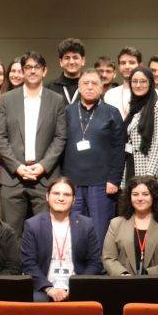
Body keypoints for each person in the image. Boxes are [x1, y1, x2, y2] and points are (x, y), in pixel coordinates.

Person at [0, 51, 68, 236]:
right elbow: (0, 137)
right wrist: (17, 167)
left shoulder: (56, 100)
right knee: (10, 234)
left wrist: (43, 166)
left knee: (45, 233)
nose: (32, 71)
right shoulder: (7, 99)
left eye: (37, 67)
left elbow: (60, 137)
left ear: (44, 71)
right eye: (28, 67)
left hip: (44, 177)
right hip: (12, 177)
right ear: (23, 71)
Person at [63, 69, 124, 236]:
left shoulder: (112, 112)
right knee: (74, 231)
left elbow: (119, 148)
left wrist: (114, 179)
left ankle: (98, 257)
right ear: (79, 87)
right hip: (72, 182)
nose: (90, 87)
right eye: (85, 83)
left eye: (94, 83)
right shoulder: (67, 111)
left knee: (99, 232)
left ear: (101, 87)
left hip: (101, 184)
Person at [20, 177, 102, 302]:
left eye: (67, 195)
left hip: (78, 287)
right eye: (56, 193)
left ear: (74, 200)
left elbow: (94, 262)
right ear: (47, 197)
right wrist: (49, 289)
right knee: (36, 300)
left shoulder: (86, 225)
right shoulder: (33, 225)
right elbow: (28, 263)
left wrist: (77, 287)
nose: (61, 198)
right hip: (44, 288)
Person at [102, 175, 158, 276]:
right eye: (135, 194)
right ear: (129, 197)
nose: (140, 198)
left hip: (156, 283)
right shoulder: (116, 224)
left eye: (145, 194)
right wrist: (122, 274)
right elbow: (108, 258)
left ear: (154, 197)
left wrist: (148, 275)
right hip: (123, 283)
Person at [123, 67, 158, 194]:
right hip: (133, 168)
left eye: (143, 81)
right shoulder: (134, 108)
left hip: (154, 177)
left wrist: (149, 177)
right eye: (135, 81)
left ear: (150, 83)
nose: (138, 85)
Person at [103, 47, 141, 120]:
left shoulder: (152, 93)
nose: (127, 66)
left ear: (140, 65)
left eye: (131, 62)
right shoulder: (110, 95)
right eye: (123, 63)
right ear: (119, 66)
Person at [48, 38, 85, 106]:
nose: (71, 62)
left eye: (75, 57)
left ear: (83, 60)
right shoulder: (49, 88)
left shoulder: (91, 87)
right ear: (61, 62)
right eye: (67, 58)